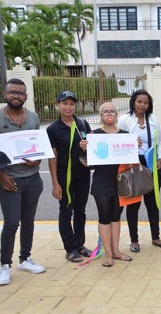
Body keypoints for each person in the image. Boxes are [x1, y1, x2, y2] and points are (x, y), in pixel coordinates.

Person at [0, 78, 46, 285]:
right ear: (5, 94)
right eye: (12, 92)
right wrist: (1, 175)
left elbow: (38, 145)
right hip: (9, 179)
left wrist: (37, 159)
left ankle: (25, 258)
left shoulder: (33, 118)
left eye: (20, 93)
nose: (16, 96)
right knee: (11, 223)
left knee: (28, 220)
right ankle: (4, 265)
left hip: (33, 178)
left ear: (26, 97)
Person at [82, 102, 135, 267]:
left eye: (112, 110)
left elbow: (132, 161)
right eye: (105, 111)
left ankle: (116, 251)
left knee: (116, 216)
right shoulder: (94, 135)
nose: (109, 113)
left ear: (117, 114)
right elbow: (88, 163)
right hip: (102, 182)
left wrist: (136, 147)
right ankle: (108, 254)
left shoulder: (126, 135)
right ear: (101, 116)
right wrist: (84, 149)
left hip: (121, 181)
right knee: (104, 217)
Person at [118, 90, 161, 253]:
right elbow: (119, 142)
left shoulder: (153, 119)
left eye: (145, 102)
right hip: (132, 164)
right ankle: (134, 240)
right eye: (139, 101)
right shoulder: (125, 120)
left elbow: (160, 141)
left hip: (151, 162)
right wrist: (132, 143)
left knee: (153, 203)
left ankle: (156, 236)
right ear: (133, 102)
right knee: (133, 204)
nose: (142, 105)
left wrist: (160, 159)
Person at [47, 90, 92, 263]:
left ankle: (80, 244)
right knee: (66, 211)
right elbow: (53, 157)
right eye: (64, 103)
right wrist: (55, 183)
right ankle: (70, 248)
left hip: (82, 175)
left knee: (81, 211)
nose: (68, 107)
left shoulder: (82, 124)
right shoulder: (53, 129)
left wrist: (86, 147)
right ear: (58, 105)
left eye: (71, 103)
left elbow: (91, 148)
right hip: (64, 178)